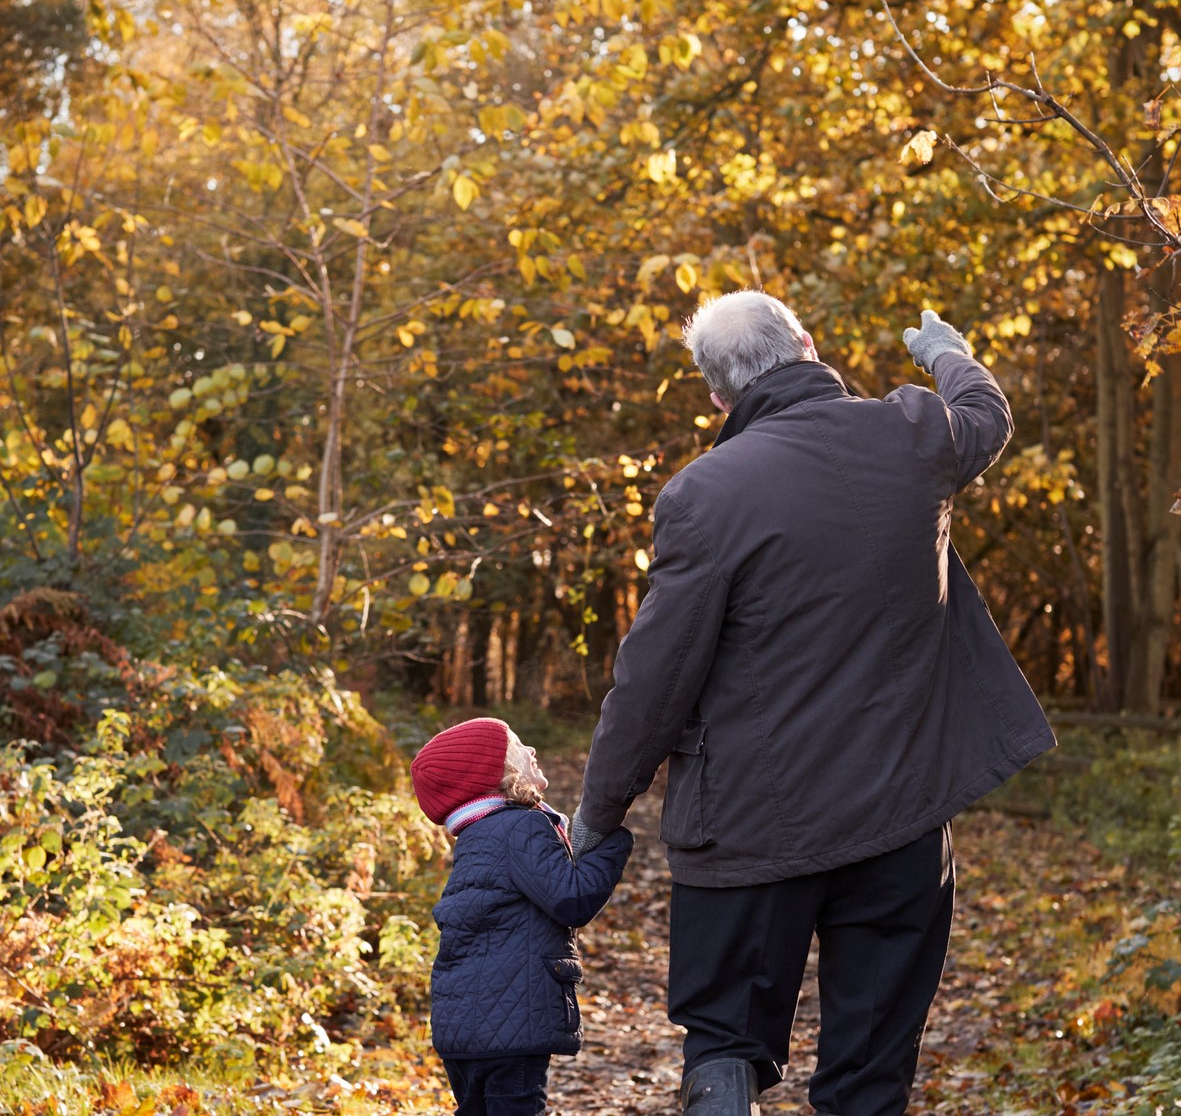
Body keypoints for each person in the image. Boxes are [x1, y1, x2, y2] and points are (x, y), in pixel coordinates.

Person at [567, 294, 1055, 1116]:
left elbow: (653, 677)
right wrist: (943, 350)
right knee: (868, 1072)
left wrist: (598, 810)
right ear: (804, 343)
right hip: (899, 825)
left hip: (750, 831)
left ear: (716, 396)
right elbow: (984, 412)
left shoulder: (705, 494)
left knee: (724, 1044)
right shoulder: (909, 434)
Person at [411, 716, 635, 1116]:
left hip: (463, 1028)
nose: (530, 750)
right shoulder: (520, 827)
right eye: (517, 744)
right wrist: (613, 842)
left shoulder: (479, 836)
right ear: (498, 771)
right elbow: (572, 899)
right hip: (511, 1028)